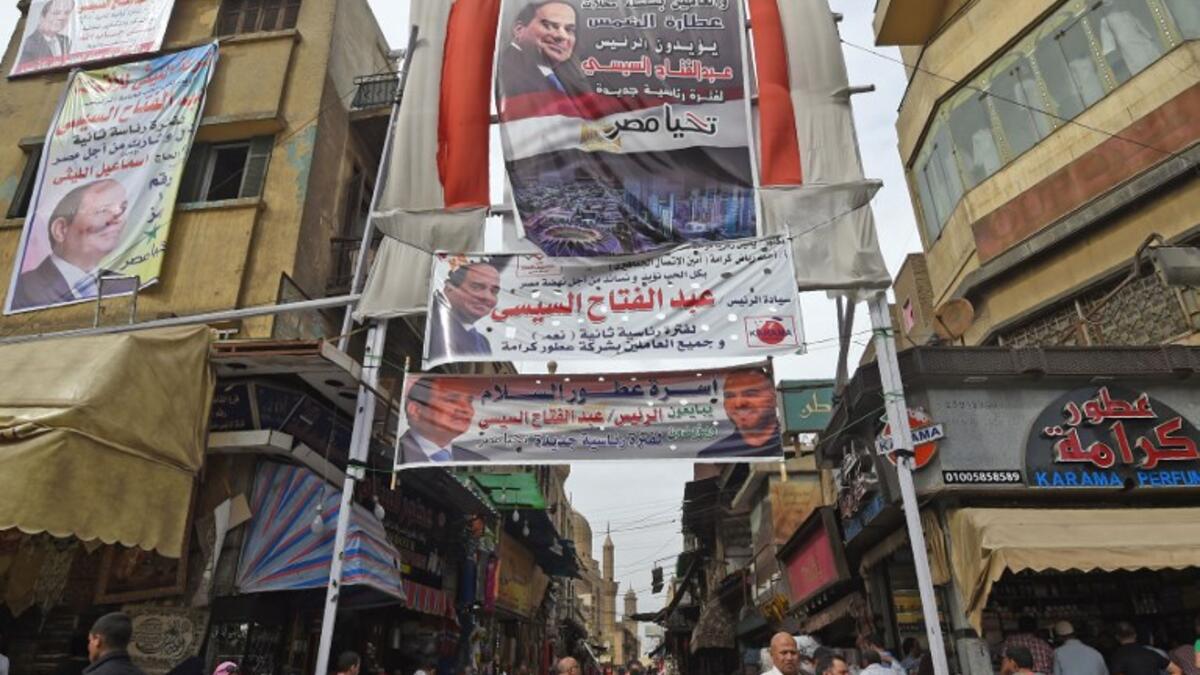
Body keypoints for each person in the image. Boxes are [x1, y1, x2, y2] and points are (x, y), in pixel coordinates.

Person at [11, 179, 136, 311]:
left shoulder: (127, 285)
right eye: (103, 210)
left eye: (122, 209)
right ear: (61, 230)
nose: (118, 219)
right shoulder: (21, 289)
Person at [497, 1, 587, 103]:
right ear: (519, 30)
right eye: (549, 25)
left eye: (569, 29)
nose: (563, 36)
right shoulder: (506, 70)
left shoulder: (568, 73)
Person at [426, 258, 504, 363]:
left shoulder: (484, 344)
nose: (487, 297)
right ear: (449, 288)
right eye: (476, 287)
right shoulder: (429, 321)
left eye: (494, 291)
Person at [397, 377, 488, 463]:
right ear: (416, 410)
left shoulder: (477, 461)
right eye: (452, 400)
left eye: (469, 401)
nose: (466, 409)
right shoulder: (395, 456)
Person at [698, 368, 782, 457]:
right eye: (730, 396)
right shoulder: (712, 456)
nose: (738, 403)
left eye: (750, 394)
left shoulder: (791, 445)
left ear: (774, 398)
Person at [1110, 621, 1181, 675]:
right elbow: (1177, 670)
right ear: (1135, 635)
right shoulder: (1150, 652)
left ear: (1117, 637)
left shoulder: (1117, 657)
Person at [17, 0, 73, 67]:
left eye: (66, 13)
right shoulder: (29, 43)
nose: (62, 17)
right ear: (42, 16)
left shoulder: (65, 40)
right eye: (56, 13)